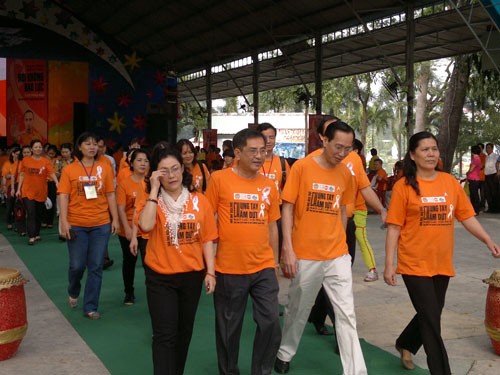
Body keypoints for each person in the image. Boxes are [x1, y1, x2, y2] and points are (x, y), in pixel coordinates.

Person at [384, 131, 500, 374]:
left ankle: (405, 343)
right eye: (425, 149)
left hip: (441, 261)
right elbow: (394, 228)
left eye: (434, 149)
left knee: (431, 312)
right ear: (413, 155)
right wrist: (388, 265)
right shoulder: (403, 187)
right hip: (414, 263)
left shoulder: (449, 182)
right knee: (431, 321)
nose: (431, 153)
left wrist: (487, 240)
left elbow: (466, 217)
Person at [275, 121, 367, 375]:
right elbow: (288, 207)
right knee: (298, 307)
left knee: (346, 314)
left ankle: (356, 371)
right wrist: (288, 249)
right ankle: (285, 352)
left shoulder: (346, 174)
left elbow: (343, 210)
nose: (342, 152)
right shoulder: (302, 167)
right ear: (324, 140)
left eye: (348, 148)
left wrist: (343, 244)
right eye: (338, 146)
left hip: (337, 254)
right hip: (306, 253)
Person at [205, 128, 281, 375]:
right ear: (237, 153)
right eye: (253, 151)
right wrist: (209, 267)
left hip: (263, 267)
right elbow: (207, 221)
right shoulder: (219, 179)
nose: (260, 156)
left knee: (270, 321)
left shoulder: (269, 186)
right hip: (229, 268)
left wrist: (276, 263)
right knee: (229, 329)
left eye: (263, 150)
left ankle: (261, 370)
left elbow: (272, 226)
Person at [137, 145, 216, 375]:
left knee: (184, 333)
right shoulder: (150, 202)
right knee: (164, 335)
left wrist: (210, 272)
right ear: (155, 174)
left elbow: (207, 239)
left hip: (191, 277)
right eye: (163, 171)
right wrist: (153, 191)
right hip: (160, 278)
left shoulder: (199, 201)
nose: (171, 176)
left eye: (174, 169)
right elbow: (146, 225)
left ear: (183, 169)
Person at [58, 132, 119, 320]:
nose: (92, 147)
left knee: (96, 266)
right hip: (76, 224)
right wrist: (64, 221)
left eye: (95, 144)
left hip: (101, 224)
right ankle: (73, 289)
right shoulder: (70, 170)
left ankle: (90, 307)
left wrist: (115, 219)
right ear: (80, 147)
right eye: (88, 144)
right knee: (77, 266)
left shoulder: (105, 168)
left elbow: (110, 194)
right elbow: (63, 196)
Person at [116, 148, 149, 305]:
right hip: (128, 229)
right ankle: (128, 292)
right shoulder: (124, 184)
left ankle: (153, 290)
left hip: (148, 230)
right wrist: (127, 229)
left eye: (146, 160)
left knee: (149, 262)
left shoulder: (151, 182)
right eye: (139, 160)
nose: (143, 163)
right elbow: (121, 208)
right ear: (131, 163)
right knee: (129, 261)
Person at [16, 140, 58, 245]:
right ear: (31, 149)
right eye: (35, 147)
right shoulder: (25, 160)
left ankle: (37, 233)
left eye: (40, 147)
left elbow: (52, 173)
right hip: (27, 191)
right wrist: (18, 189)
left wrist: (57, 183)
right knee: (31, 212)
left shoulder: (45, 161)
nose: (38, 149)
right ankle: (31, 236)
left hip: (41, 191)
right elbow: (21, 174)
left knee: (38, 214)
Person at [1, 147, 21, 230]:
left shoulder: (21, 163)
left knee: (18, 206)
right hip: (9, 187)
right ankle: (9, 222)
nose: (18, 156)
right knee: (9, 206)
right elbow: (4, 176)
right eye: (17, 154)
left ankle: (17, 224)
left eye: (20, 154)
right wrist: (4, 187)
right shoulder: (7, 163)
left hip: (19, 187)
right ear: (13, 154)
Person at [42, 145, 60, 229]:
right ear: (47, 152)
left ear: (55, 153)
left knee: (52, 202)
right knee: (43, 201)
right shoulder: (43, 159)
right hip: (44, 182)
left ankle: (50, 222)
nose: (51, 155)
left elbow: (58, 171)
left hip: (53, 183)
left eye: (53, 153)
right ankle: (44, 220)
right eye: (49, 153)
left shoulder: (58, 160)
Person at [466, 145, 482, 215]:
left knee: (474, 195)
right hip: (473, 178)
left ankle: (476, 210)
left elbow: (472, 169)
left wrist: (467, 172)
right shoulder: (476, 158)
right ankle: (473, 209)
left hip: (474, 179)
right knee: (472, 195)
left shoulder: (476, 159)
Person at [484, 143, 499, 213]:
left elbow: (498, 164)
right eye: (486, 148)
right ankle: (490, 208)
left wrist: (498, 173)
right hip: (487, 176)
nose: (487, 149)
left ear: (492, 148)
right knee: (488, 193)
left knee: (494, 192)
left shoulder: (495, 156)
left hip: (493, 175)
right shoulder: (486, 157)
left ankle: (496, 208)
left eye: (489, 148)